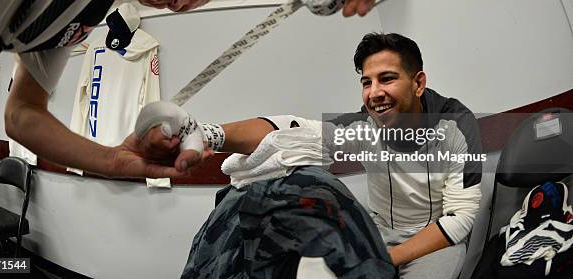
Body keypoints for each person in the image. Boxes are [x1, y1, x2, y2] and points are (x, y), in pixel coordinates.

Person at [0, 0, 380, 256]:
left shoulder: (77, 19)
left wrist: (113, 160)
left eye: (184, 5)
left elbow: (22, 114)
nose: (177, 0)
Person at [189, 33, 482, 278]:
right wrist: (210, 135)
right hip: (378, 230)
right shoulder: (363, 126)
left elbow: (461, 217)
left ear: (418, 83)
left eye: (387, 79)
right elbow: (291, 131)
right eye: (367, 83)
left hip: (436, 239)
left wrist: (388, 258)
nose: (374, 93)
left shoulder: (457, 124)